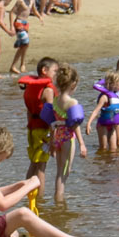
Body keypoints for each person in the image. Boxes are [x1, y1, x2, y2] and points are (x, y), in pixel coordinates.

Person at [44, 64, 88, 204]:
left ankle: (58, 199)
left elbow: (53, 123)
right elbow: (74, 125)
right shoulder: (72, 102)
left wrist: (51, 143)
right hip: (68, 139)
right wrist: (82, 143)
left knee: (59, 172)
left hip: (57, 137)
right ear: (73, 84)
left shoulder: (56, 101)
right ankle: (59, 199)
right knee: (65, 172)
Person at [21, 57, 57, 206]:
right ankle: (39, 202)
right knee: (41, 167)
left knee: (33, 164)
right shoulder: (47, 90)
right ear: (44, 71)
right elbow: (51, 114)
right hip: (43, 131)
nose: (57, 74)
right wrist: (53, 136)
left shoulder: (30, 88)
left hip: (32, 129)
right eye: (55, 71)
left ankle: (25, 196)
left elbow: (29, 112)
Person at [87, 67, 119, 151]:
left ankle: (110, 164)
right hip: (102, 125)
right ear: (112, 84)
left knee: (113, 149)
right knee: (103, 148)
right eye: (118, 83)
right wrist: (89, 123)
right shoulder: (105, 97)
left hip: (112, 125)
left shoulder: (117, 95)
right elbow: (96, 111)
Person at [7, 0, 41, 75]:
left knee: (25, 45)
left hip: (26, 23)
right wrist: (11, 26)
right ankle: (16, 65)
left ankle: (21, 64)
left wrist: (40, 17)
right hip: (18, 22)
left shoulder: (32, 0)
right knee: (25, 43)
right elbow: (12, 12)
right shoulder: (21, 1)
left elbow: (34, 10)